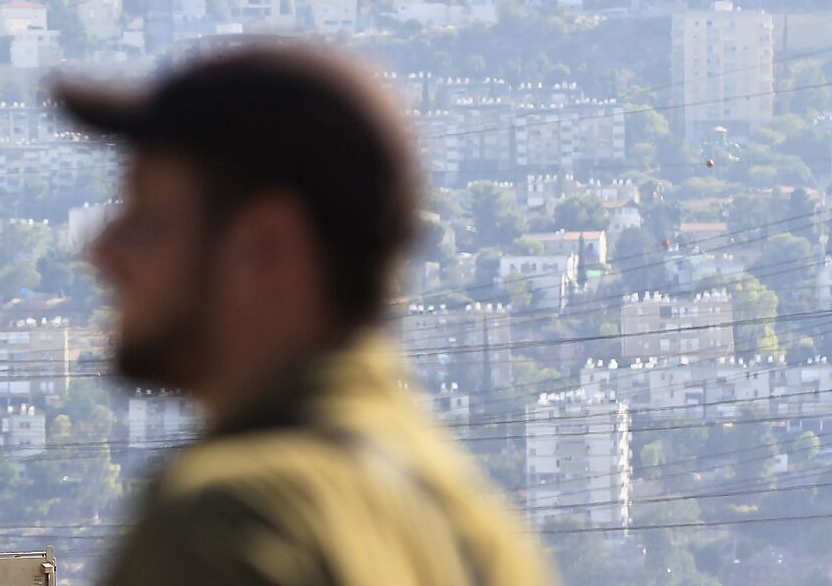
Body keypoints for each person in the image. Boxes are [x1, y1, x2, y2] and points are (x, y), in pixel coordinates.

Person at [54, 44, 553, 585]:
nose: (105, 250)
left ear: (268, 247)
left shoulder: (230, 524)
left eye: (148, 220)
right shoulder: (479, 532)